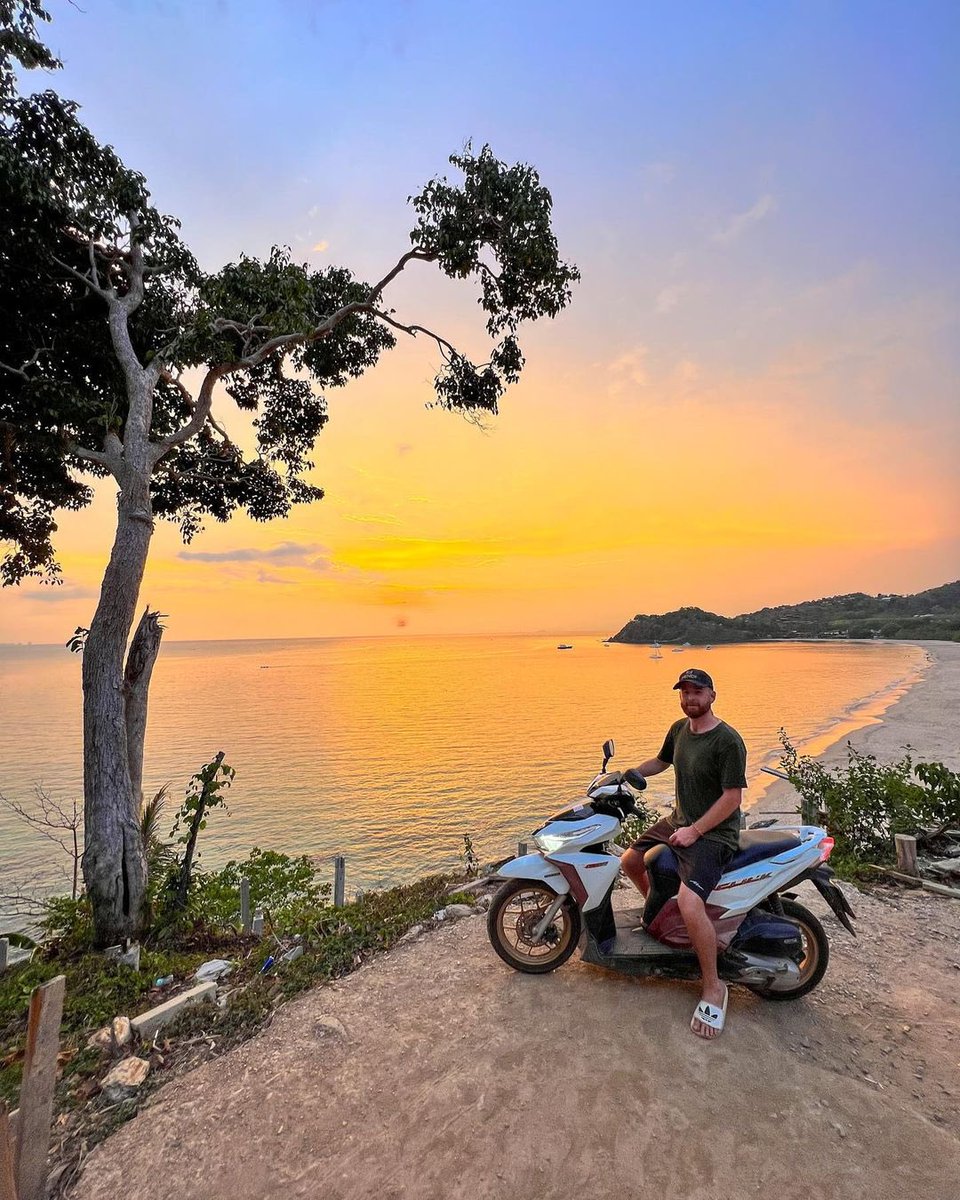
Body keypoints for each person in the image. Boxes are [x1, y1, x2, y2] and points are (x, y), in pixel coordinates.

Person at [620, 667, 747, 1040]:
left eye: (697, 692)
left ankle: (713, 986)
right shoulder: (679, 730)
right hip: (679, 821)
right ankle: (665, 919)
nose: (690, 698)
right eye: (685, 692)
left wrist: (696, 831)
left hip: (714, 834)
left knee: (691, 902)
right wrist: (624, 775)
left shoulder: (727, 741)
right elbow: (660, 762)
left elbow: (732, 798)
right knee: (629, 860)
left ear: (712, 695)